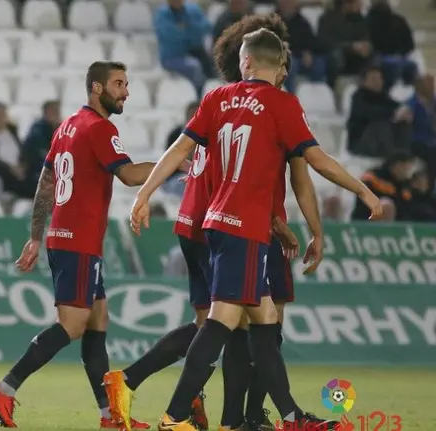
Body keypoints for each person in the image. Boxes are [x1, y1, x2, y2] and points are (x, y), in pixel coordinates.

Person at [129, 28, 382, 431]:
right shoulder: (283, 104)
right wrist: (364, 189)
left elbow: (180, 148)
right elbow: (315, 161)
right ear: (278, 65)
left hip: (218, 222)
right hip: (245, 227)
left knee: (265, 322)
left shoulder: (215, 98)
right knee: (220, 322)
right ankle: (174, 417)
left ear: (244, 62)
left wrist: (144, 193)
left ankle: (294, 417)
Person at [103, 14, 324, 431]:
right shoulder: (265, 107)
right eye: (282, 66)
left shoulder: (222, 101)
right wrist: (281, 220)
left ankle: (138, 383)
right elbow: (274, 176)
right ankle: (233, 417)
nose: (284, 74)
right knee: (243, 321)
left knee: (220, 322)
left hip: (196, 222)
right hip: (226, 223)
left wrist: (146, 193)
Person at [0, 61, 156, 430]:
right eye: (118, 84)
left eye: (126, 84)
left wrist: (35, 235)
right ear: (97, 88)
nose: (125, 91)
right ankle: (5, 388)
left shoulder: (67, 126)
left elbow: (46, 183)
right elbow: (128, 175)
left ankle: (111, 417)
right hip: (77, 240)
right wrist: (176, 163)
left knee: (97, 321)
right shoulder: (99, 127)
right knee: (73, 324)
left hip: (67, 237)